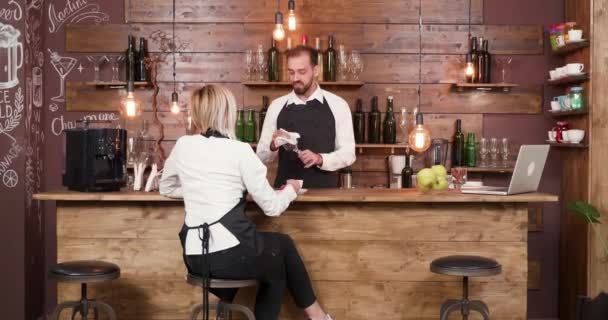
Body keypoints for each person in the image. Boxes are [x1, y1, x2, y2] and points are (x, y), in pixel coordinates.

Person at [159, 85, 332, 320]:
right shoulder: (239, 151)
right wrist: (293, 188)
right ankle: (318, 317)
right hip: (228, 257)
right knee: (280, 253)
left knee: (276, 256)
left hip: (194, 258)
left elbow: (166, 187)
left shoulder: (183, 145)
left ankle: (224, 312)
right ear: (227, 113)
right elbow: (272, 207)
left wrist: (204, 191)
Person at [257, 45, 356, 188]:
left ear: (315, 70)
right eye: (291, 72)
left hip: (326, 197)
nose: (295, 78)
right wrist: (272, 146)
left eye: (301, 72)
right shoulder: (276, 106)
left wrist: (320, 158)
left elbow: (348, 154)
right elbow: (261, 156)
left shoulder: (338, 105)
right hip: (285, 195)